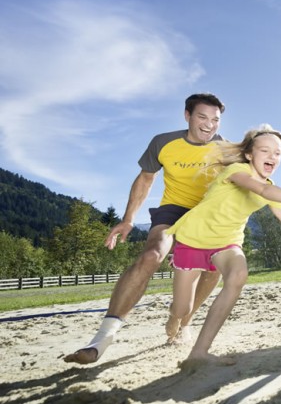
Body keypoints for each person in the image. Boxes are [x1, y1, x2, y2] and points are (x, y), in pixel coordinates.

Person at [65, 93, 227, 365]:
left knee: (215, 268)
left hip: (207, 213)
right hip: (173, 210)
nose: (209, 125)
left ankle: (183, 322)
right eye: (202, 117)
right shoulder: (163, 142)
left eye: (215, 120)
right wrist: (129, 219)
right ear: (187, 116)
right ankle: (101, 339)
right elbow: (145, 179)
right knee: (151, 255)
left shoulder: (226, 149)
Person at [167, 124, 281, 366]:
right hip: (192, 240)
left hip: (227, 243)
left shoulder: (270, 188)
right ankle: (175, 318)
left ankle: (200, 352)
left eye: (277, 153)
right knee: (182, 308)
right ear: (250, 154)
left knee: (238, 274)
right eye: (265, 151)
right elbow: (260, 188)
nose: (272, 156)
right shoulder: (236, 170)